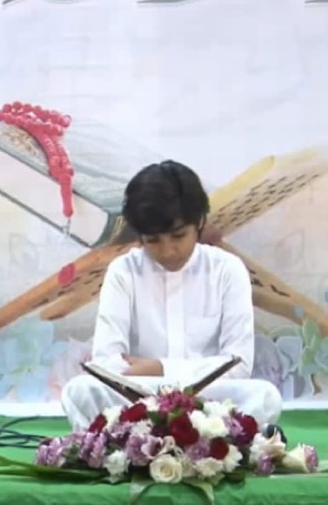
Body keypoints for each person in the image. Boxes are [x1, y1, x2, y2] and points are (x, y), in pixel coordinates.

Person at [61, 160, 281, 429]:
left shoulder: (227, 269)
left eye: (178, 236)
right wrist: (156, 380)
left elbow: (238, 365)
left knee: (264, 396)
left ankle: (140, 442)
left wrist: (160, 369)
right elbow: (107, 363)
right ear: (140, 237)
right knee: (79, 390)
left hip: (208, 400)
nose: (167, 251)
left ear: (199, 223)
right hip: (139, 399)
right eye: (153, 240)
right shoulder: (123, 272)